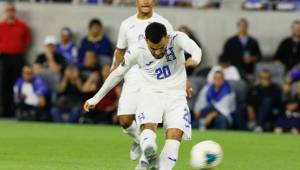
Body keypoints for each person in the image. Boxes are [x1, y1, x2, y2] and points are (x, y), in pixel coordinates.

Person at [84, 22, 202, 170]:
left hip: (177, 97)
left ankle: (154, 164)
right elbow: (117, 74)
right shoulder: (136, 50)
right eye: (154, 49)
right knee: (148, 127)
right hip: (151, 94)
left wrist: (195, 59)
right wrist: (95, 98)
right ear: (146, 40)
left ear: (166, 38)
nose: (158, 53)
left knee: (175, 136)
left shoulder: (177, 38)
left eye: (161, 48)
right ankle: (148, 150)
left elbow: (195, 48)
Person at [109, 0, 174, 168]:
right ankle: (140, 141)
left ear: (155, 1)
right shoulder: (127, 24)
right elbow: (120, 50)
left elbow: (174, 52)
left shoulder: (163, 24)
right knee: (124, 120)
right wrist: (114, 70)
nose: (145, 1)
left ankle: (145, 160)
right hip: (131, 79)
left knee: (147, 121)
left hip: (153, 81)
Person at [0, 2, 32, 117]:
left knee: (17, 85)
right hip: (4, 57)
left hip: (18, 57)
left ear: (15, 11)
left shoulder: (22, 26)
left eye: (12, 10)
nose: (10, 12)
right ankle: (6, 112)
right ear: (5, 12)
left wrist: (19, 49)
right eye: (8, 10)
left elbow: (27, 40)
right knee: (4, 85)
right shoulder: (1, 26)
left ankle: (16, 111)